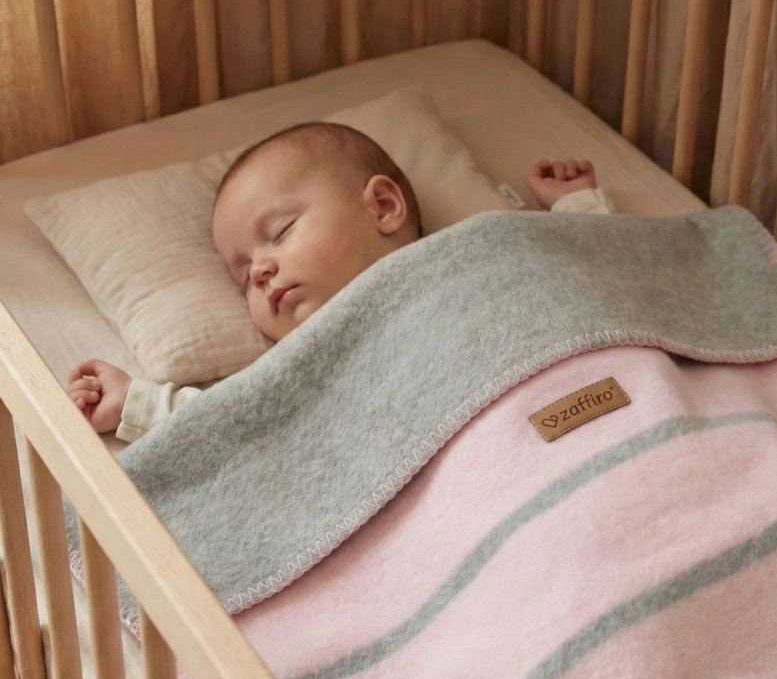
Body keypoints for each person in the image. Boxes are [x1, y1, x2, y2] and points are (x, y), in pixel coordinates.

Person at [67, 122, 613, 442]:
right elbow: (249, 423)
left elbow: (591, 280)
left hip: (595, 406)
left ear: (383, 206)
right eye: (243, 277)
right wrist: (136, 404)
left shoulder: (481, 249)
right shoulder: (311, 359)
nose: (259, 271)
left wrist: (578, 207)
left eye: (280, 232)